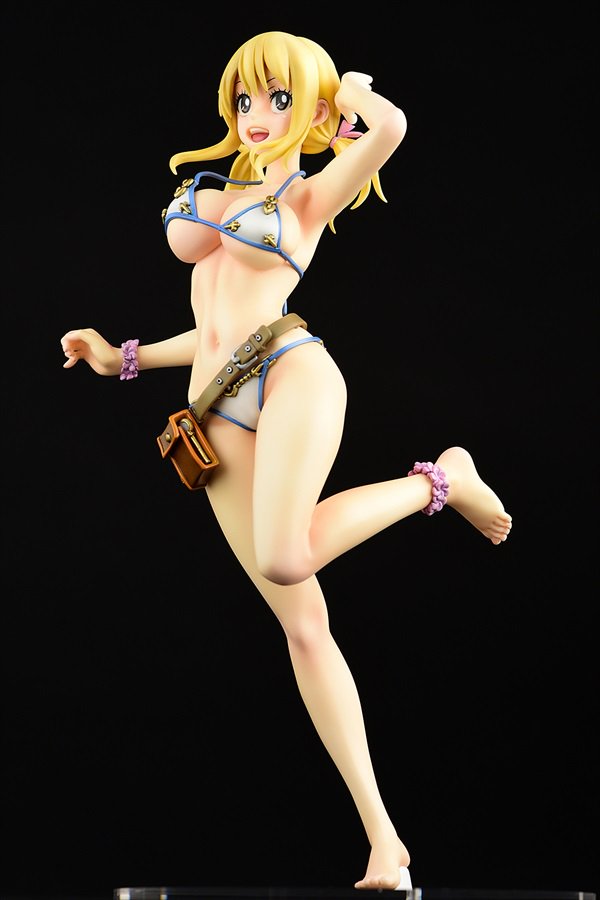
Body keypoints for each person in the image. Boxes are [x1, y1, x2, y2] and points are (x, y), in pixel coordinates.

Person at [60, 31, 512, 891]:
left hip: (290, 371)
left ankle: (442, 479)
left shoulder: (308, 193)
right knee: (304, 628)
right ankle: (385, 841)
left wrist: (348, 95)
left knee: (285, 554)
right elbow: (211, 328)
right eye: (245, 99)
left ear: (309, 108)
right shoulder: (220, 190)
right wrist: (120, 357)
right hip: (215, 412)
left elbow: (389, 128)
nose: (257, 116)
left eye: (279, 99)